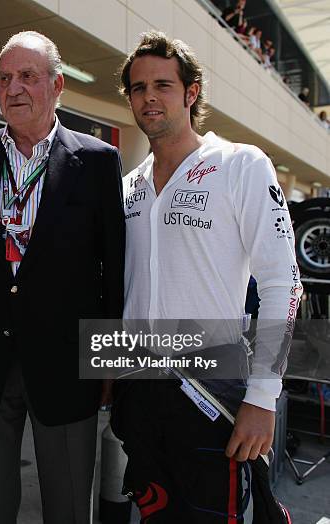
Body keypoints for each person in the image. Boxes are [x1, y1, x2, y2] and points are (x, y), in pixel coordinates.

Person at [111, 31, 299, 522]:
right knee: (154, 514)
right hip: (137, 387)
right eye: (137, 87)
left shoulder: (240, 164)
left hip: (213, 388)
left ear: (191, 92)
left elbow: (283, 285)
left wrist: (263, 397)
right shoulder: (127, 186)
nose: (149, 96)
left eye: (163, 85)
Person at [0, 31, 125, 524]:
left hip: (68, 364)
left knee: (68, 505)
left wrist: (109, 359)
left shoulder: (98, 161)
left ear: (58, 84)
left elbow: (114, 267)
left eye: (27, 76)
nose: (13, 88)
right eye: (4, 78)